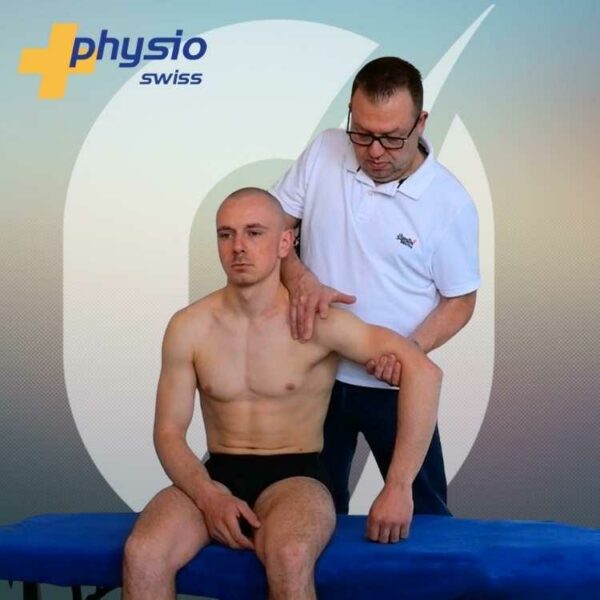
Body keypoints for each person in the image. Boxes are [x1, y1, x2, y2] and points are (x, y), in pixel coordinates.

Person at [122, 188, 442, 600]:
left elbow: (424, 372)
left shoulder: (316, 323)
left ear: (285, 242)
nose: (238, 246)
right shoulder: (189, 326)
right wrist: (209, 497)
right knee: (143, 553)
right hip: (216, 473)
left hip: (296, 476)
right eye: (226, 234)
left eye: (254, 233)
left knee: (290, 555)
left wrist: (398, 487)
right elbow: (168, 432)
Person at [271, 56, 480, 516]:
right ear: (350, 114)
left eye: (391, 137)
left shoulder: (450, 204)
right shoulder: (325, 150)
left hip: (395, 384)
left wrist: (410, 350)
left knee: (423, 517)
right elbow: (272, 229)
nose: (375, 151)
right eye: (362, 133)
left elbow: (461, 300)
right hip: (314, 372)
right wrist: (299, 277)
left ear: (420, 122)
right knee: (310, 516)